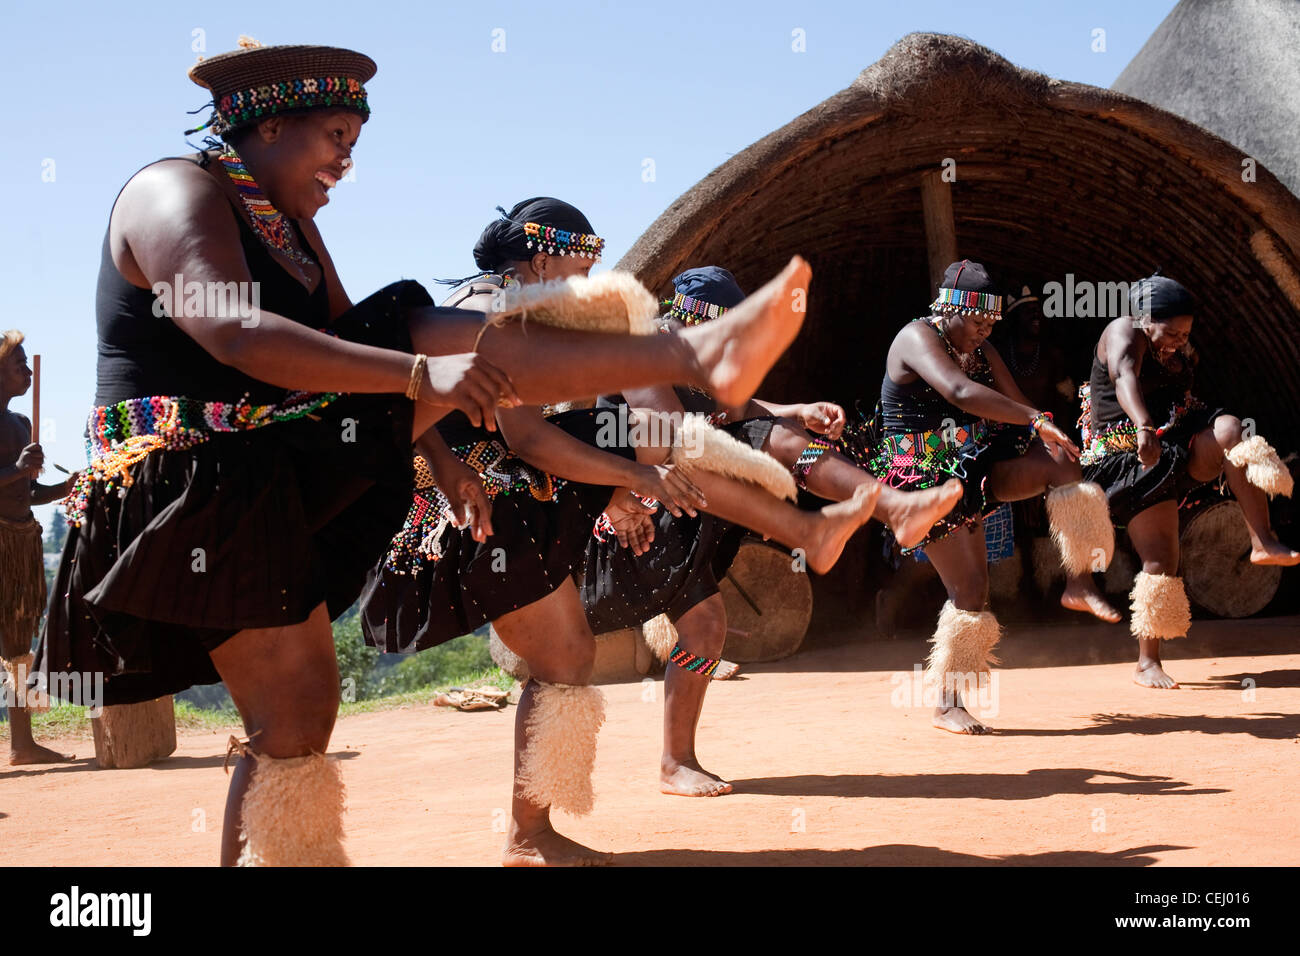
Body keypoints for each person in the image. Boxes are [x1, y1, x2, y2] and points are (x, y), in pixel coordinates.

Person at [32, 40, 814, 867]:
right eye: (334, 135)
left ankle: (686, 356)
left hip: (269, 460)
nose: (344, 160)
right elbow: (235, 331)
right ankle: (683, 358)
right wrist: (421, 379)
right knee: (299, 712)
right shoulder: (173, 190)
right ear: (267, 122)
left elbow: (348, 340)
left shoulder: (289, 226)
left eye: (353, 143)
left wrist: (440, 457)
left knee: (298, 720)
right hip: (188, 479)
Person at [363, 203, 878, 863]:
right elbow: (540, 437)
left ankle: (556, 821)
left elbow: (709, 416)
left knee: (602, 650)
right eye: (585, 258)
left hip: (569, 504)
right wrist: (630, 483)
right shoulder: (494, 314)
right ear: (544, 257)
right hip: (535, 520)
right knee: (651, 631)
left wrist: (771, 416)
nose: (591, 274)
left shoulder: (530, 318)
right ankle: (568, 814)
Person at [578, 267, 963, 796]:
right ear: (698, 320)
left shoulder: (700, 362)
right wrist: (757, 432)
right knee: (763, 437)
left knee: (706, 627)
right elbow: (675, 435)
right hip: (628, 525)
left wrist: (795, 410)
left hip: (683, 509)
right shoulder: (641, 345)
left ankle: (675, 762)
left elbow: (737, 411)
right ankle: (871, 512)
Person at [846, 260, 1119, 735]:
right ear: (949, 308)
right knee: (971, 591)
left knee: (1062, 464)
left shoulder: (982, 347)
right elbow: (959, 390)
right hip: (924, 479)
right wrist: (1035, 420)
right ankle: (947, 704)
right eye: (977, 321)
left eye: (992, 323)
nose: (984, 330)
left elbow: (1018, 406)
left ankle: (1078, 583)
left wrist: (1045, 434)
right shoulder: (916, 337)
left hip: (975, 464)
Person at [1080, 274, 1297, 689]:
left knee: (1232, 430)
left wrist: (1168, 416)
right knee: (1162, 561)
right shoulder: (1122, 332)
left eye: (1186, 333)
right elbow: (1125, 377)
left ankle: (1262, 540)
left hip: (1176, 440)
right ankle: (1148, 662)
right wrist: (1143, 425)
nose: (1180, 340)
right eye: (1172, 332)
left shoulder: (1176, 348)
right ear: (1145, 319)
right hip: (1129, 457)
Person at [0, 331, 77, 764]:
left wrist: (64, 488)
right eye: (19, 365)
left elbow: (27, 495)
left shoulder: (22, 425)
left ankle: (21, 744)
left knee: (17, 639)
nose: (28, 372)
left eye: (29, 364)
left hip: (21, 537)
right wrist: (15, 468)